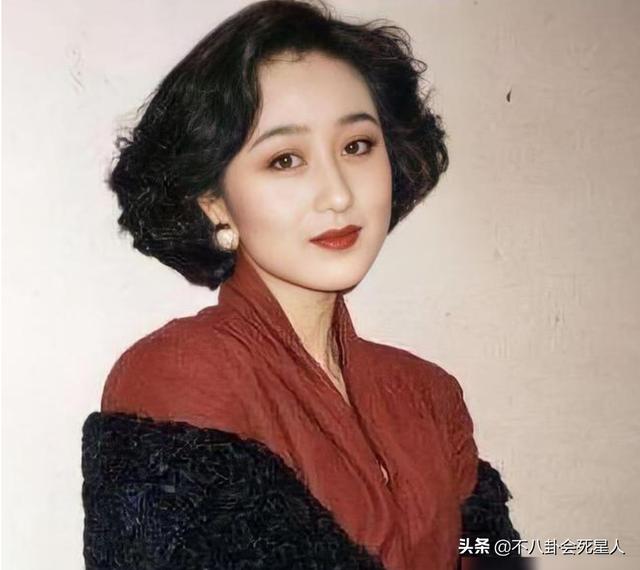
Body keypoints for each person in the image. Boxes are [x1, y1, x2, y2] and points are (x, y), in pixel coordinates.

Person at [81, 1, 522, 569]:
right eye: (286, 159)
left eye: (357, 146)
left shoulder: (428, 393)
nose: (338, 194)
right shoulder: (179, 376)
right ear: (214, 203)